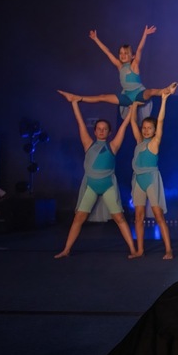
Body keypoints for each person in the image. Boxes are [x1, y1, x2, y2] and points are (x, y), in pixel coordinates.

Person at [54, 92, 137, 259]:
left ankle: (134, 250)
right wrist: (74, 103)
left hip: (108, 185)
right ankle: (66, 250)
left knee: (119, 217)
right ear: (95, 131)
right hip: (91, 184)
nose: (101, 131)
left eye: (105, 129)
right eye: (99, 129)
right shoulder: (88, 143)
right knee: (79, 217)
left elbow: (124, 127)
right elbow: (80, 123)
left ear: (109, 132)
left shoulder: (113, 146)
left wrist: (132, 110)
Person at [60, 27, 175, 121]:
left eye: (126, 53)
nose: (123, 55)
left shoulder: (134, 65)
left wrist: (144, 35)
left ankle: (167, 89)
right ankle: (77, 98)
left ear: (132, 56)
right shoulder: (119, 66)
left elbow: (139, 49)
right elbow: (107, 52)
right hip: (126, 97)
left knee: (151, 91)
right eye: (121, 53)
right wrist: (96, 39)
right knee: (102, 97)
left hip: (139, 93)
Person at [128, 84, 178, 260]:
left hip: (151, 178)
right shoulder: (139, 141)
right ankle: (140, 250)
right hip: (138, 179)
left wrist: (163, 100)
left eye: (149, 128)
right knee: (138, 216)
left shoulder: (154, 143)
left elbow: (161, 120)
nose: (146, 130)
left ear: (155, 130)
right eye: (145, 127)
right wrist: (134, 102)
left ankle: (168, 250)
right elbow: (133, 121)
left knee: (158, 215)